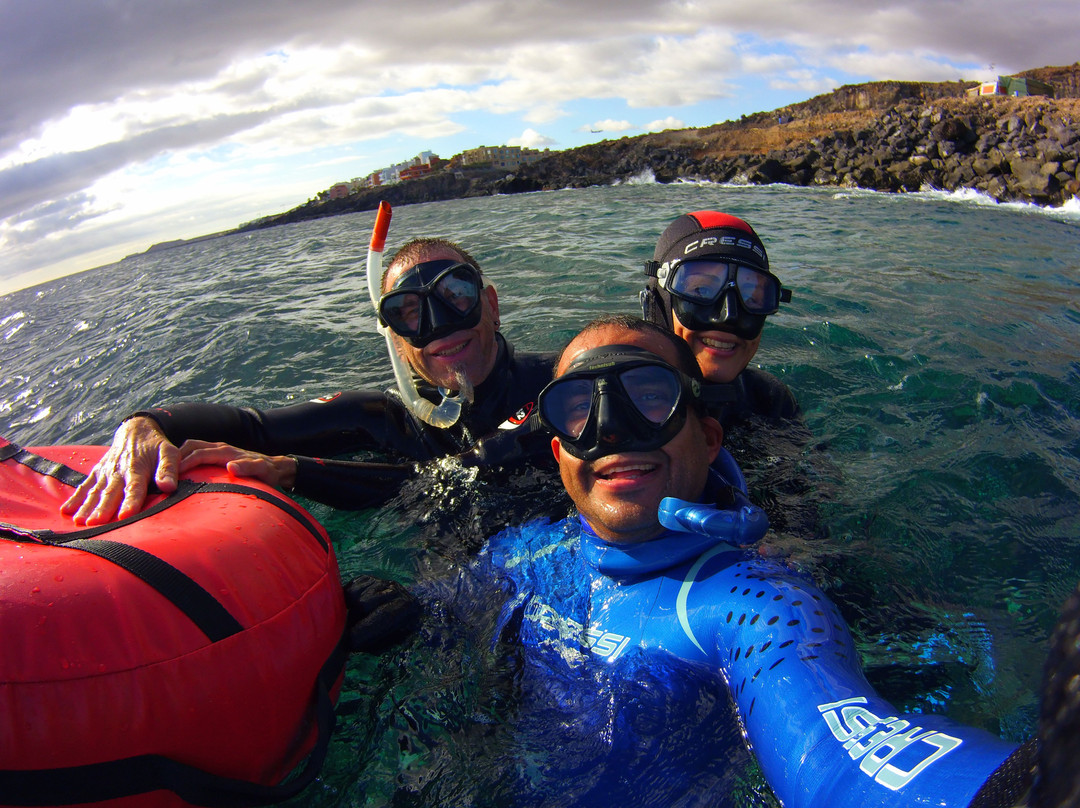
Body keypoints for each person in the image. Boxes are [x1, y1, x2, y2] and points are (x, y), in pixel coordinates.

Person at [443, 314, 1024, 807]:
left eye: (649, 396)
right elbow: (437, 610)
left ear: (710, 438)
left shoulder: (754, 605)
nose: (613, 430)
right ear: (558, 453)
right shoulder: (525, 549)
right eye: (578, 407)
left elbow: (843, 768)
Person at [61, 237, 557, 526]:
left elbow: (471, 467)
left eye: (456, 295)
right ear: (396, 339)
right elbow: (250, 428)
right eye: (409, 313)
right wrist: (143, 425)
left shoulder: (562, 381)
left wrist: (294, 471)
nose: (439, 324)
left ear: (490, 304)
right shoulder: (384, 421)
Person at [642, 210, 821, 538]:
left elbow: (805, 505)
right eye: (699, 289)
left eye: (754, 296)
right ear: (658, 300)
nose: (729, 315)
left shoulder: (769, 401)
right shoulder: (601, 395)